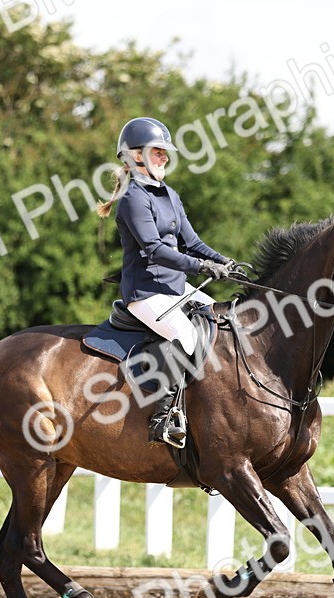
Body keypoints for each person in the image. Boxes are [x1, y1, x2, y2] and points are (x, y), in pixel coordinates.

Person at [97, 117, 234, 448]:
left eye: (165, 153)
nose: (165, 158)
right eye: (158, 152)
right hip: (146, 293)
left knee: (223, 322)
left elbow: (192, 241)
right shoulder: (133, 199)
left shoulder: (169, 194)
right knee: (186, 335)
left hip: (174, 287)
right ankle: (164, 417)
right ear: (136, 156)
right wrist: (201, 267)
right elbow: (156, 250)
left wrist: (223, 261)